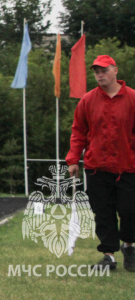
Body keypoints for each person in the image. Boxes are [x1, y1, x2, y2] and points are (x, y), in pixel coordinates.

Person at [67, 54, 135, 272]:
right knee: (103, 212)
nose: (99, 74)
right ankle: (108, 256)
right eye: (96, 71)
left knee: (130, 211)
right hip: (97, 168)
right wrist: (73, 159)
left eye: (104, 70)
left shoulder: (133, 98)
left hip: (129, 167)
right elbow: (78, 132)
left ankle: (129, 246)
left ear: (115, 70)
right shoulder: (87, 100)